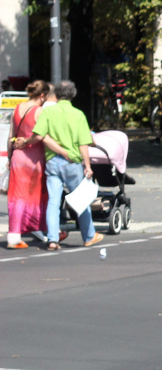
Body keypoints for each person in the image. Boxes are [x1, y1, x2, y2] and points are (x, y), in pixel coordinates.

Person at [29, 80, 101, 250]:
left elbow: (39, 134)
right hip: (72, 163)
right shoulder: (78, 115)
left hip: (52, 161)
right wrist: (88, 166)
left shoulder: (48, 113)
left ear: (56, 94)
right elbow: (84, 144)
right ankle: (89, 235)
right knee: (81, 200)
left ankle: (53, 239)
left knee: (53, 202)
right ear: (73, 94)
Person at [5, 81, 52, 249]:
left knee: (17, 196)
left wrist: (10, 158)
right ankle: (21, 234)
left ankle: (17, 232)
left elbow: (10, 136)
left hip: (18, 157)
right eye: (45, 97)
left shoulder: (18, 108)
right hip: (34, 158)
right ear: (42, 95)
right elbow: (40, 136)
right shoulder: (39, 111)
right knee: (37, 195)